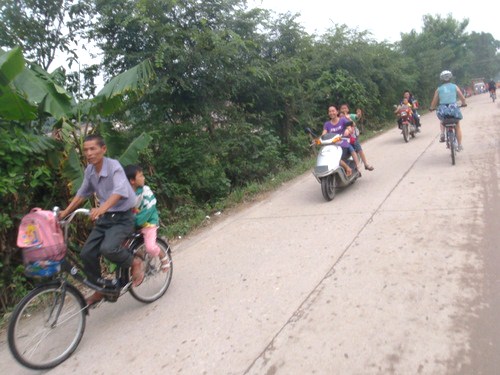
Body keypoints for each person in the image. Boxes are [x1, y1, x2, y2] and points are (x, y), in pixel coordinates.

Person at [59, 134, 144, 306]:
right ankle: (100, 288)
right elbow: (82, 193)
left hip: (123, 217)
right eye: (85, 150)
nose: (88, 153)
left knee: (108, 248)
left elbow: (120, 191)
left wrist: (101, 208)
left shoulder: (114, 167)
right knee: (87, 253)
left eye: (93, 149)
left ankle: (135, 261)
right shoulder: (90, 170)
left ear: (103, 149)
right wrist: (65, 212)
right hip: (106, 218)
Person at [124, 164, 170, 272]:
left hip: (148, 222)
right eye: (141, 176)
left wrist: (134, 220)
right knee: (121, 246)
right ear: (132, 181)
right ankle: (140, 257)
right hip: (133, 223)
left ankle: (163, 256)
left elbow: (148, 210)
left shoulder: (146, 191)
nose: (143, 178)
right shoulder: (125, 194)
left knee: (150, 247)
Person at [430, 70, 467, 150]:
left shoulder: (439, 89)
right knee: (457, 125)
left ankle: (442, 134)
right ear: (451, 77)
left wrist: (431, 108)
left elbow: (434, 101)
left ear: (441, 79)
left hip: (443, 109)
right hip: (453, 108)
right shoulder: (454, 86)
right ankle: (459, 145)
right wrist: (464, 103)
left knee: (442, 120)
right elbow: (462, 97)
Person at [322, 105, 360, 176]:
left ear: (337, 112)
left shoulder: (342, 120)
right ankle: (347, 168)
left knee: (350, 148)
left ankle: (357, 165)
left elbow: (349, 127)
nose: (331, 113)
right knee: (330, 157)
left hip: (343, 143)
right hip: (333, 145)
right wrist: (319, 139)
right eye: (329, 111)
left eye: (333, 111)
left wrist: (348, 130)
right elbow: (324, 134)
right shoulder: (327, 124)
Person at [339, 103, 374, 171]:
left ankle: (366, 164)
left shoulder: (350, 116)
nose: (344, 109)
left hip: (352, 137)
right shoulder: (339, 118)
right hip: (343, 139)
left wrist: (358, 114)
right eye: (342, 108)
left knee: (359, 149)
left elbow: (356, 118)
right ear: (340, 110)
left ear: (348, 109)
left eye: (345, 108)